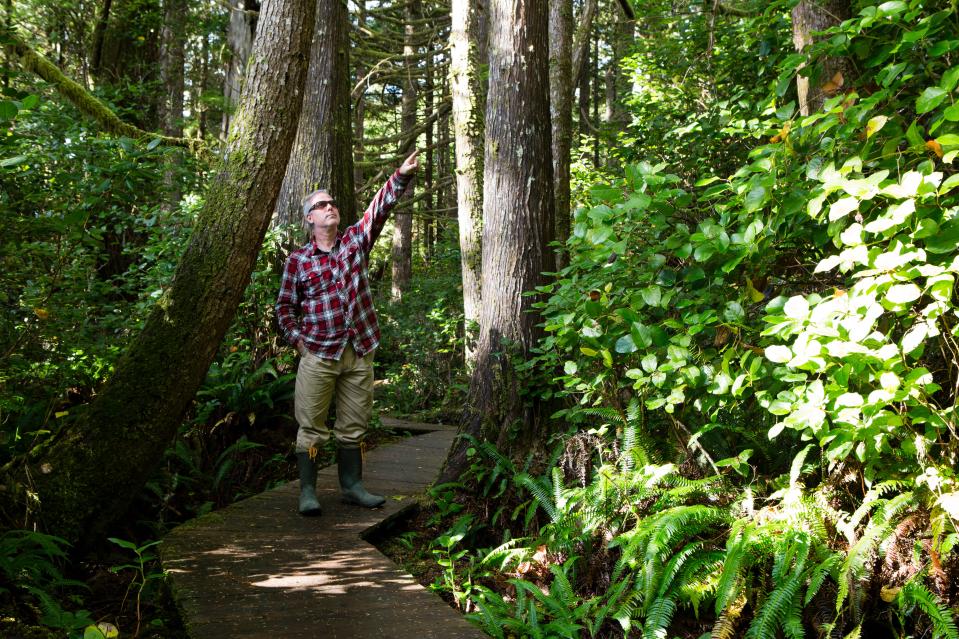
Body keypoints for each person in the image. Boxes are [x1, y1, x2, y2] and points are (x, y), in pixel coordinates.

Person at [276, 151, 420, 516]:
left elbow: (379, 209)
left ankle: (352, 486)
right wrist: (300, 343)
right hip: (318, 355)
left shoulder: (355, 241)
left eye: (333, 204)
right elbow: (284, 309)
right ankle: (308, 492)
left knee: (353, 428)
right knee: (310, 428)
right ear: (310, 218)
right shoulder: (299, 260)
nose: (330, 208)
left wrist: (400, 176)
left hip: (358, 350)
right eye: (321, 205)